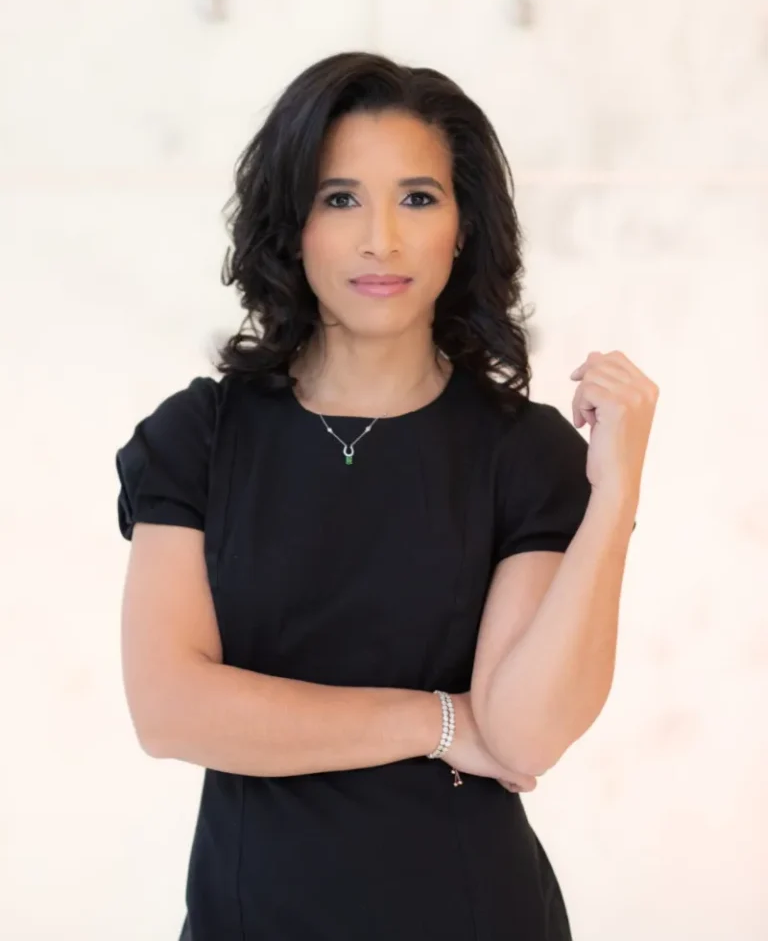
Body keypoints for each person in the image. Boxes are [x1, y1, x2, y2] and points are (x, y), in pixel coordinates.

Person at [115, 51, 657, 941]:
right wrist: (438, 722)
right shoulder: (201, 439)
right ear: (291, 225)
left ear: (464, 227)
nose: (382, 240)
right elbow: (170, 710)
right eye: (340, 198)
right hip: (251, 917)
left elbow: (521, 735)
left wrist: (615, 494)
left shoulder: (522, 453)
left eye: (417, 197)